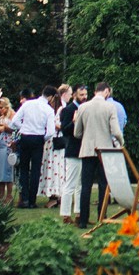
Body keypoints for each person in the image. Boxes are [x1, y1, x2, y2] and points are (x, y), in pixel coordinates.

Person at [76, 82, 122, 228]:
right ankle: (102, 217)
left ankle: (83, 219)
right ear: (107, 91)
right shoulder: (110, 107)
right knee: (103, 185)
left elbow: (77, 132)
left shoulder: (83, 107)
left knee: (86, 186)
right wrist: (121, 142)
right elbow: (116, 131)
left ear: (95, 91)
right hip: (104, 150)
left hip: (88, 149)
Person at [10, 86, 54, 208]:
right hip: (38, 138)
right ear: (51, 97)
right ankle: (32, 200)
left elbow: (14, 121)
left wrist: (23, 127)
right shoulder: (48, 109)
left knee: (23, 168)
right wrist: (42, 138)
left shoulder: (28, 104)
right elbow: (50, 132)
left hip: (25, 137)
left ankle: (24, 199)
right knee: (35, 170)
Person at [38, 86, 71, 207]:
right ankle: (53, 195)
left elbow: (64, 125)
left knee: (57, 168)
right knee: (50, 168)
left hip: (57, 142)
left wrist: (54, 124)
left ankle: (58, 195)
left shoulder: (61, 109)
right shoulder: (50, 109)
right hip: (50, 142)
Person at [58, 87, 82, 223]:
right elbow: (64, 131)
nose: (84, 97)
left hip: (83, 149)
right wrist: (73, 121)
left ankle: (79, 214)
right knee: (70, 183)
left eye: (85, 94)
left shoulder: (84, 108)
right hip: (73, 149)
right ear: (74, 95)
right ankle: (66, 214)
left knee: (80, 185)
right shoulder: (68, 109)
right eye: (81, 94)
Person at [0, 95, 17, 203]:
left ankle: (9, 195)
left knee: (8, 171)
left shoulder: (13, 115)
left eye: (1, 107)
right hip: (0, 144)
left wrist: (5, 127)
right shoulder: (0, 117)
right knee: (0, 171)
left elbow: (16, 129)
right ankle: (1, 195)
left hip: (9, 144)